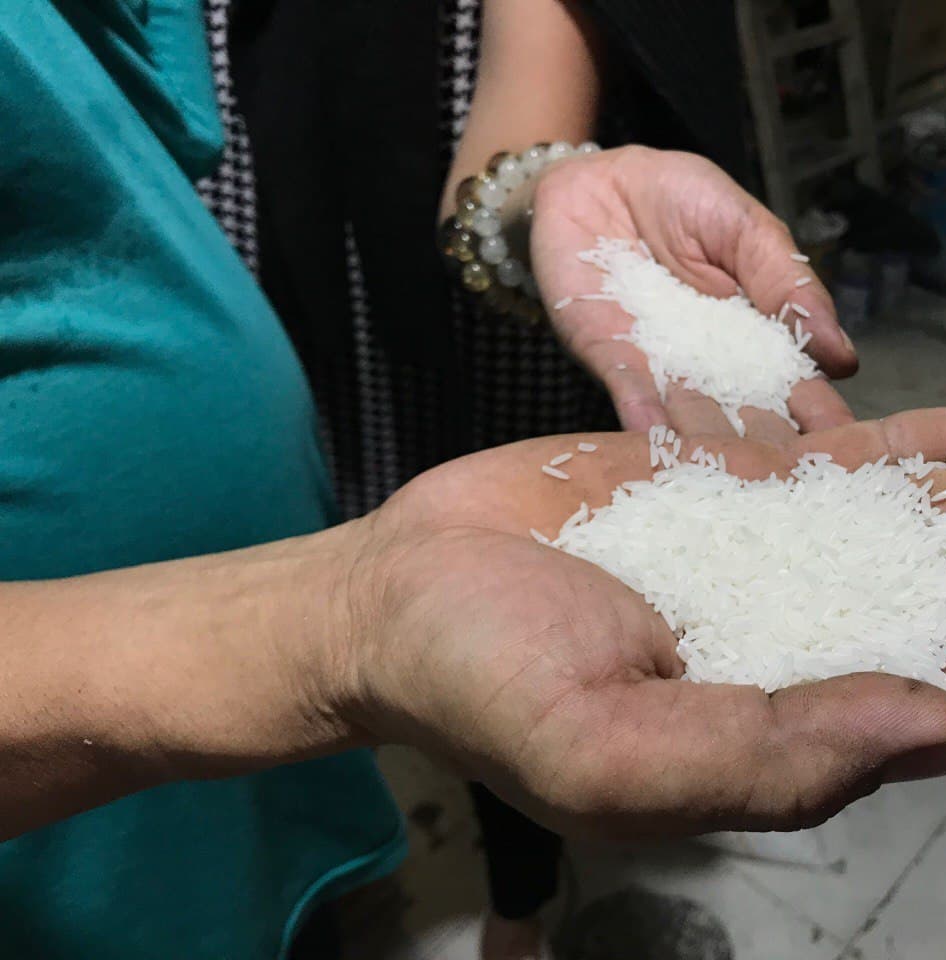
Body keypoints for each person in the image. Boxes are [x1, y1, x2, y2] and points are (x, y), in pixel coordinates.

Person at [4, 5, 946, 960]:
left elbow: (497, 94)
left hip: (382, 473)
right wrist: (329, 622)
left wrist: (543, 191)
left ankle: (513, 891)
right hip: (93, 742)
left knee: (460, 681)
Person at [206, 3, 853, 954]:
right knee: (376, 596)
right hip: (304, 311)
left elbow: (523, 115)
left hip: (493, 339)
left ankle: (521, 888)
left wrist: (544, 199)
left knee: (522, 624)